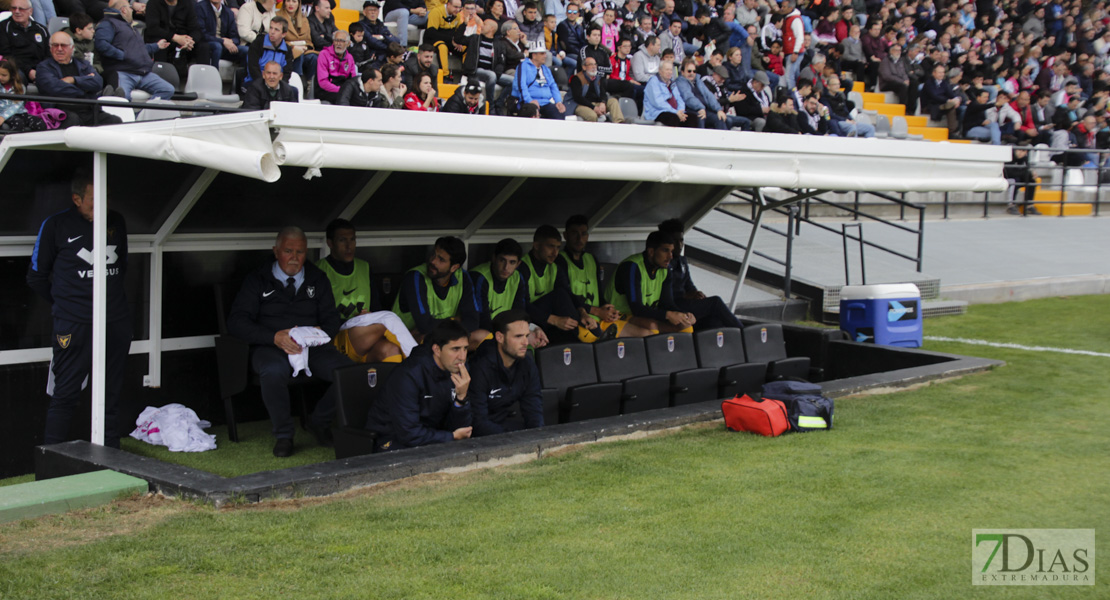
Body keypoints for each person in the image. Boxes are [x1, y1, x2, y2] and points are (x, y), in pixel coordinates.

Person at [26, 171, 132, 449]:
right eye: (94, 201)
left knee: (111, 392)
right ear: (77, 199)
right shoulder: (56, 225)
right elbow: (36, 277)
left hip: (115, 321)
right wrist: (67, 305)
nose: (102, 206)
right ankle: (52, 461)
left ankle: (111, 457)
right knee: (66, 393)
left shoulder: (116, 221)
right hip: (74, 324)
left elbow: (121, 268)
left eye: (105, 199)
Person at [226, 226, 352, 457]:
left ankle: (319, 422)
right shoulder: (258, 279)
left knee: (348, 373)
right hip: (271, 346)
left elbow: (332, 318)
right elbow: (236, 322)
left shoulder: (317, 278)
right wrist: (273, 336)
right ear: (276, 251)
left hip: (312, 348)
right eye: (288, 251)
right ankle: (284, 435)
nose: (294, 258)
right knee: (273, 371)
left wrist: (320, 333)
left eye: (300, 252)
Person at [315, 218, 415, 364]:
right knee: (387, 321)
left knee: (390, 350)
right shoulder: (318, 271)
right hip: (336, 337)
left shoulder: (364, 267)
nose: (349, 246)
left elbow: (376, 307)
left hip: (367, 335)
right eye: (342, 240)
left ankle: (395, 386)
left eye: (352, 239)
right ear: (330, 243)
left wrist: (369, 316)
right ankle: (420, 367)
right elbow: (317, 317)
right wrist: (357, 319)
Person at [364, 320, 474, 451]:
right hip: (391, 439)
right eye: (455, 349)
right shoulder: (408, 375)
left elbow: (460, 430)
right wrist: (450, 436)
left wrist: (461, 399)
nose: (462, 357)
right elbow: (408, 433)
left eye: (465, 348)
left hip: (431, 437)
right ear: (437, 350)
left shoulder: (459, 370)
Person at [557, 214, 649, 342]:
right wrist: (597, 311)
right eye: (574, 233)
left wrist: (608, 309)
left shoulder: (591, 259)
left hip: (599, 318)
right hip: (579, 320)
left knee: (647, 334)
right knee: (606, 343)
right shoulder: (559, 260)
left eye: (583, 234)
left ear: (587, 236)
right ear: (566, 236)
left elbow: (598, 295)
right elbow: (565, 299)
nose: (579, 238)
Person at [468, 309, 544, 437]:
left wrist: (537, 438)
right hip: (475, 434)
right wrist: (513, 439)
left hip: (503, 425)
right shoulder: (480, 367)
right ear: (500, 337)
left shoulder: (527, 364)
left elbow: (533, 409)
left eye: (526, 336)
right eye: (518, 336)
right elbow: (477, 421)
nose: (525, 342)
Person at [657, 219, 743, 330]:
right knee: (715, 302)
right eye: (675, 241)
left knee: (714, 319)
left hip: (686, 303)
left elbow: (689, 285)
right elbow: (663, 295)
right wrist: (685, 296)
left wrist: (696, 294)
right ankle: (743, 332)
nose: (679, 245)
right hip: (673, 306)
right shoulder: (662, 263)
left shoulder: (682, 261)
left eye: (681, 240)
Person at [605, 230, 695, 334]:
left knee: (685, 326)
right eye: (665, 250)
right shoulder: (632, 267)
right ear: (651, 252)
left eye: (671, 251)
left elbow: (667, 303)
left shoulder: (665, 269)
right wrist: (668, 315)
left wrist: (684, 314)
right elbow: (637, 309)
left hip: (647, 316)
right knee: (651, 326)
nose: (670, 256)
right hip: (619, 315)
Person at [392, 236, 481, 343]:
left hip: (439, 334)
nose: (433, 261)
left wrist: (446, 323)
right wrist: (456, 320)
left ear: (454, 267)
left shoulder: (463, 277)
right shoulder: (415, 277)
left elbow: (473, 321)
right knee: (427, 339)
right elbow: (424, 326)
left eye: (441, 259)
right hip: (406, 336)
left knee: (482, 336)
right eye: (434, 254)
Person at [36, 32, 124, 127]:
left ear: (72, 48)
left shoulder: (83, 64)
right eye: (55, 45)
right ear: (50, 48)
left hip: (89, 111)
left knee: (115, 121)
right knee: (73, 121)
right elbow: (55, 88)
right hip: (61, 112)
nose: (59, 49)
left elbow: (98, 82)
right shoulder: (43, 67)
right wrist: (85, 89)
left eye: (63, 45)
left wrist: (74, 80)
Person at [95, 0, 175, 101]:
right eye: (130, 7)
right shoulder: (107, 23)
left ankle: (142, 115)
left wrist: (156, 46)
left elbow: (137, 49)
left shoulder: (128, 25)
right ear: (124, 10)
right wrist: (122, 55)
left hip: (143, 73)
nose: (132, 11)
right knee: (123, 97)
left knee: (167, 90)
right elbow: (101, 45)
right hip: (123, 72)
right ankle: (131, 116)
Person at [517, 225, 582, 342]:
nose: (555, 252)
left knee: (564, 296)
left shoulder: (555, 268)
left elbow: (569, 296)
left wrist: (583, 312)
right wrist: (555, 320)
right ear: (536, 245)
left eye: (558, 247)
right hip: (528, 318)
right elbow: (522, 306)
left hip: (546, 319)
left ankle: (581, 338)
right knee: (559, 295)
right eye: (550, 246)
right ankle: (580, 339)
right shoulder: (523, 267)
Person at [145, 0, 211, 76]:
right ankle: (160, 78)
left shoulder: (187, 3)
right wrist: (175, 37)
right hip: (164, 38)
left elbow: (196, 29)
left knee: (204, 46)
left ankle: (204, 78)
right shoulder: (153, 3)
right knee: (160, 45)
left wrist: (190, 41)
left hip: (184, 40)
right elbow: (153, 28)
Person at [511, 39, 565, 119]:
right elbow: (521, 86)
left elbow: (553, 86)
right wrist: (530, 101)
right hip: (528, 102)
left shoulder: (546, 69)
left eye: (545, 53)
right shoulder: (523, 66)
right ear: (534, 55)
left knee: (559, 112)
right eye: (542, 53)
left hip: (545, 102)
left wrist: (558, 101)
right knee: (532, 112)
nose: (545, 56)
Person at [0, 0, 50, 83]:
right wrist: (28, 71)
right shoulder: (3, 27)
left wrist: (41, 70)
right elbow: (7, 55)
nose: (17, 11)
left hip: (40, 69)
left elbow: (48, 54)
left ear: (30, 11)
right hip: (17, 68)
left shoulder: (41, 30)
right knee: (18, 76)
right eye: (14, 8)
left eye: (21, 9)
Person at [570, 55, 623, 122]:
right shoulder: (576, 78)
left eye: (595, 64)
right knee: (592, 116)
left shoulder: (599, 79)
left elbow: (603, 93)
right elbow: (578, 98)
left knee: (613, 101)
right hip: (580, 105)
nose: (594, 67)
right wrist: (593, 107)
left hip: (596, 104)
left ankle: (619, 123)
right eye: (591, 64)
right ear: (584, 67)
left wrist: (603, 102)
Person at [644, 58, 696, 128]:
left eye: (671, 70)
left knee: (692, 118)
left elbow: (679, 99)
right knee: (673, 118)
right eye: (667, 70)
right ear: (660, 71)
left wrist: (681, 112)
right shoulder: (653, 82)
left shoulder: (672, 82)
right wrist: (676, 112)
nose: (669, 72)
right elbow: (658, 103)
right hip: (657, 112)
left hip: (674, 112)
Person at [197, 0, 247, 69]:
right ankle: (214, 77)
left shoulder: (228, 12)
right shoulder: (200, 7)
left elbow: (235, 37)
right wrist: (222, 41)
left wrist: (231, 42)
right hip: (208, 46)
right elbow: (202, 34)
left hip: (224, 47)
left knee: (246, 50)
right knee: (217, 46)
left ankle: (242, 78)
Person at [245, 16, 293, 85]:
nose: (272, 32)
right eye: (271, 28)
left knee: (294, 91)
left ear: (283, 34)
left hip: (277, 84)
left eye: (276, 29)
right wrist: (265, 85)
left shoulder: (287, 50)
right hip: (256, 82)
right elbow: (253, 68)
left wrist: (279, 86)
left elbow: (287, 73)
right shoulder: (258, 43)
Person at [315, 29, 356, 104]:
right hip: (325, 91)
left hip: (343, 90)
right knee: (342, 99)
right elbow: (323, 82)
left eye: (342, 41)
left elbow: (353, 80)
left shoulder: (350, 58)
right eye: (336, 40)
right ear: (333, 42)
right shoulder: (324, 54)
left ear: (348, 44)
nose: (338, 44)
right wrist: (341, 90)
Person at [921, 63, 962, 137]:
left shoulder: (944, 83)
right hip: (931, 105)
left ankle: (954, 131)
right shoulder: (929, 83)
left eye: (943, 72)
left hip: (942, 104)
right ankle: (952, 132)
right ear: (934, 73)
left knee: (955, 108)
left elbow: (950, 93)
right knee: (951, 106)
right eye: (940, 72)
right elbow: (934, 96)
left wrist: (957, 99)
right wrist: (948, 101)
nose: (942, 74)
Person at [359, 0, 401, 66]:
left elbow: (396, 41)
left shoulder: (381, 25)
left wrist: (382, 37)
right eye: (370, 10)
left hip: (384, 56)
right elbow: (372, 41)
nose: (373, 12)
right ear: (364, 12)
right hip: (371, 58)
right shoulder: (360, 25)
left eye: (375, 10)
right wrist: (390, 48)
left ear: (378, 12)